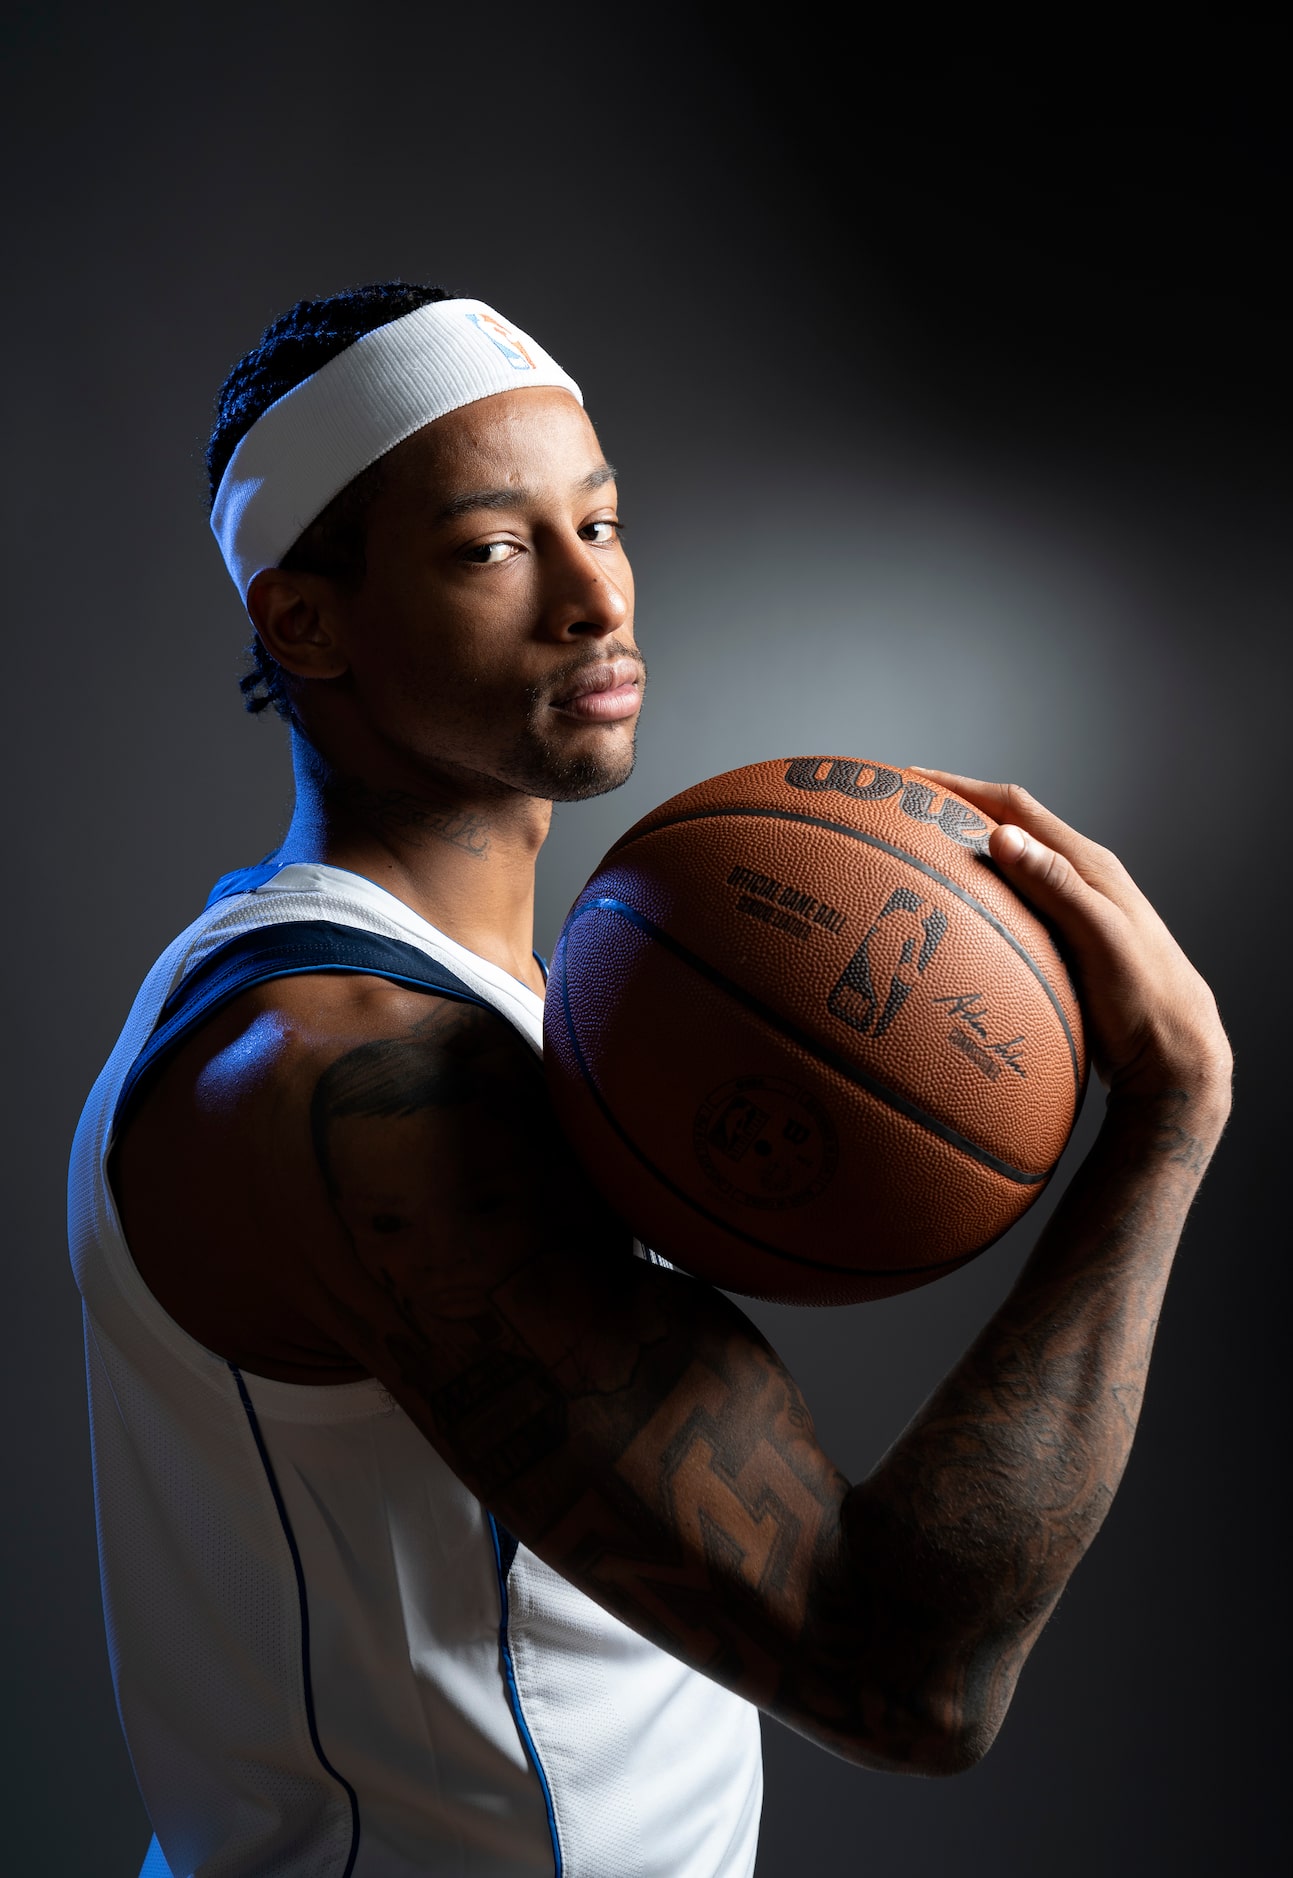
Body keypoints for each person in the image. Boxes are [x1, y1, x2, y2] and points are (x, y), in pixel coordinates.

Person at [69, 282, 1232, 1878]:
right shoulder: (345, 1081)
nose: (591, 600)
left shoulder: (529, 1014)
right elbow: (906, 1671)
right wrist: (1164, 1128)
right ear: (304, 621)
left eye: (600, 524)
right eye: (493, 548)